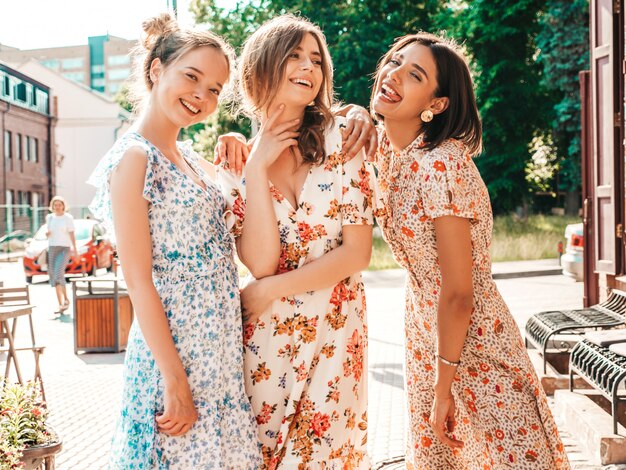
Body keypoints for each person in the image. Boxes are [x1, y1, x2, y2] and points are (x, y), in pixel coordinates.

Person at [370, 33, 570, 469]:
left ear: (437, 104)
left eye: (414, 74)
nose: (394, 74)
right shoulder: (391, 153)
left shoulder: (441, 162)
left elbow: (459, 291)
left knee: (509, 457)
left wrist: (444, 388)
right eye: (395, 62)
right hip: (425, 332)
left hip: (472, 340)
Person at [87, 13, 261, 468]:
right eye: (192, 77)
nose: (201, 96)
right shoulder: (135, 158)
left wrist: (235, 138)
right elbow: (139, 282)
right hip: (177, 358)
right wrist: (174, 381)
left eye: (215, 90)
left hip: (218, 358)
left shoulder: (188, 158)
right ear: (156, 69)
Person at [216, 14, 376, 469]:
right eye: (294, 55)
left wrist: (267, 291)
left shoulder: (345, 139)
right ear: (259, 68)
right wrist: (256, 170)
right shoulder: (237, 163)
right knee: (264, 456)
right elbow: (262, 262)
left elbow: (356, 253)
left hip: (336, 329)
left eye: (316, 59)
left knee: (327, 456)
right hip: (268, 340)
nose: (309, 66)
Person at [45, 196, 77, 312]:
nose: (57, 207)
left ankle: (66, 299)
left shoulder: (68, 218)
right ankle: (60, 304)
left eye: (59, 205)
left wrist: (75, 250)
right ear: (52, 206)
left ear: (63, 206)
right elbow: (47, 233)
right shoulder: (50, 218)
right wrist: (47, 234)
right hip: (52, 247)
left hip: (64, 248)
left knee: (59, 272)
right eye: (55, 205)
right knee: (54, 275)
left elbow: (72, 234)